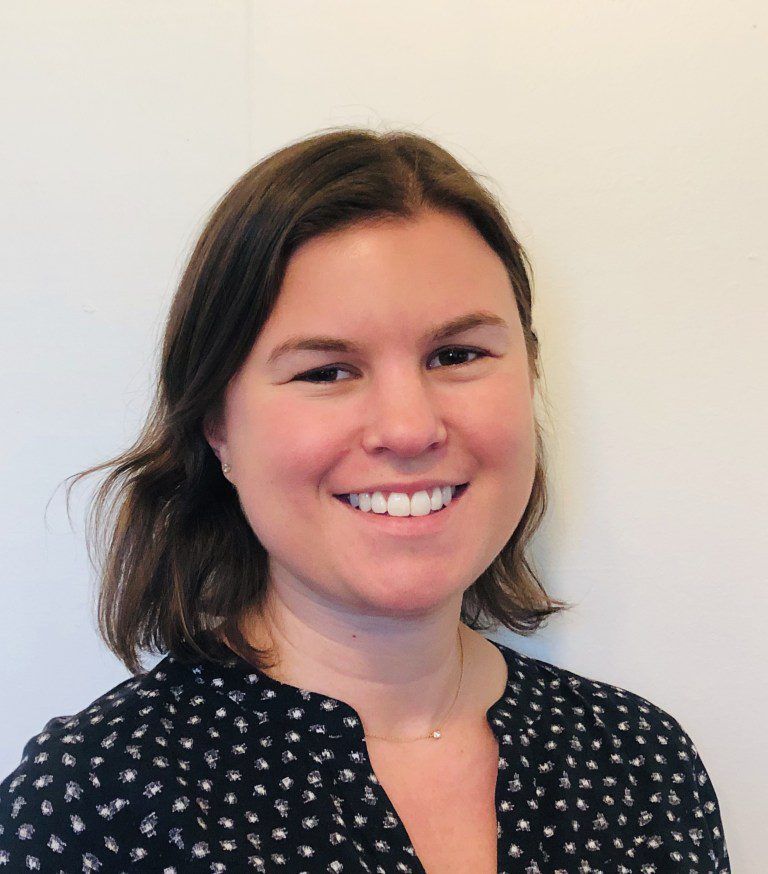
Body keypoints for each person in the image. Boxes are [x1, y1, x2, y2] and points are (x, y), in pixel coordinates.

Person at [0, 128, 729, 873]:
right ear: (218, 425)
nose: (409, 428)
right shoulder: (97, 804)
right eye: (326, 371)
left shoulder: (642, 764)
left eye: (457, 356)